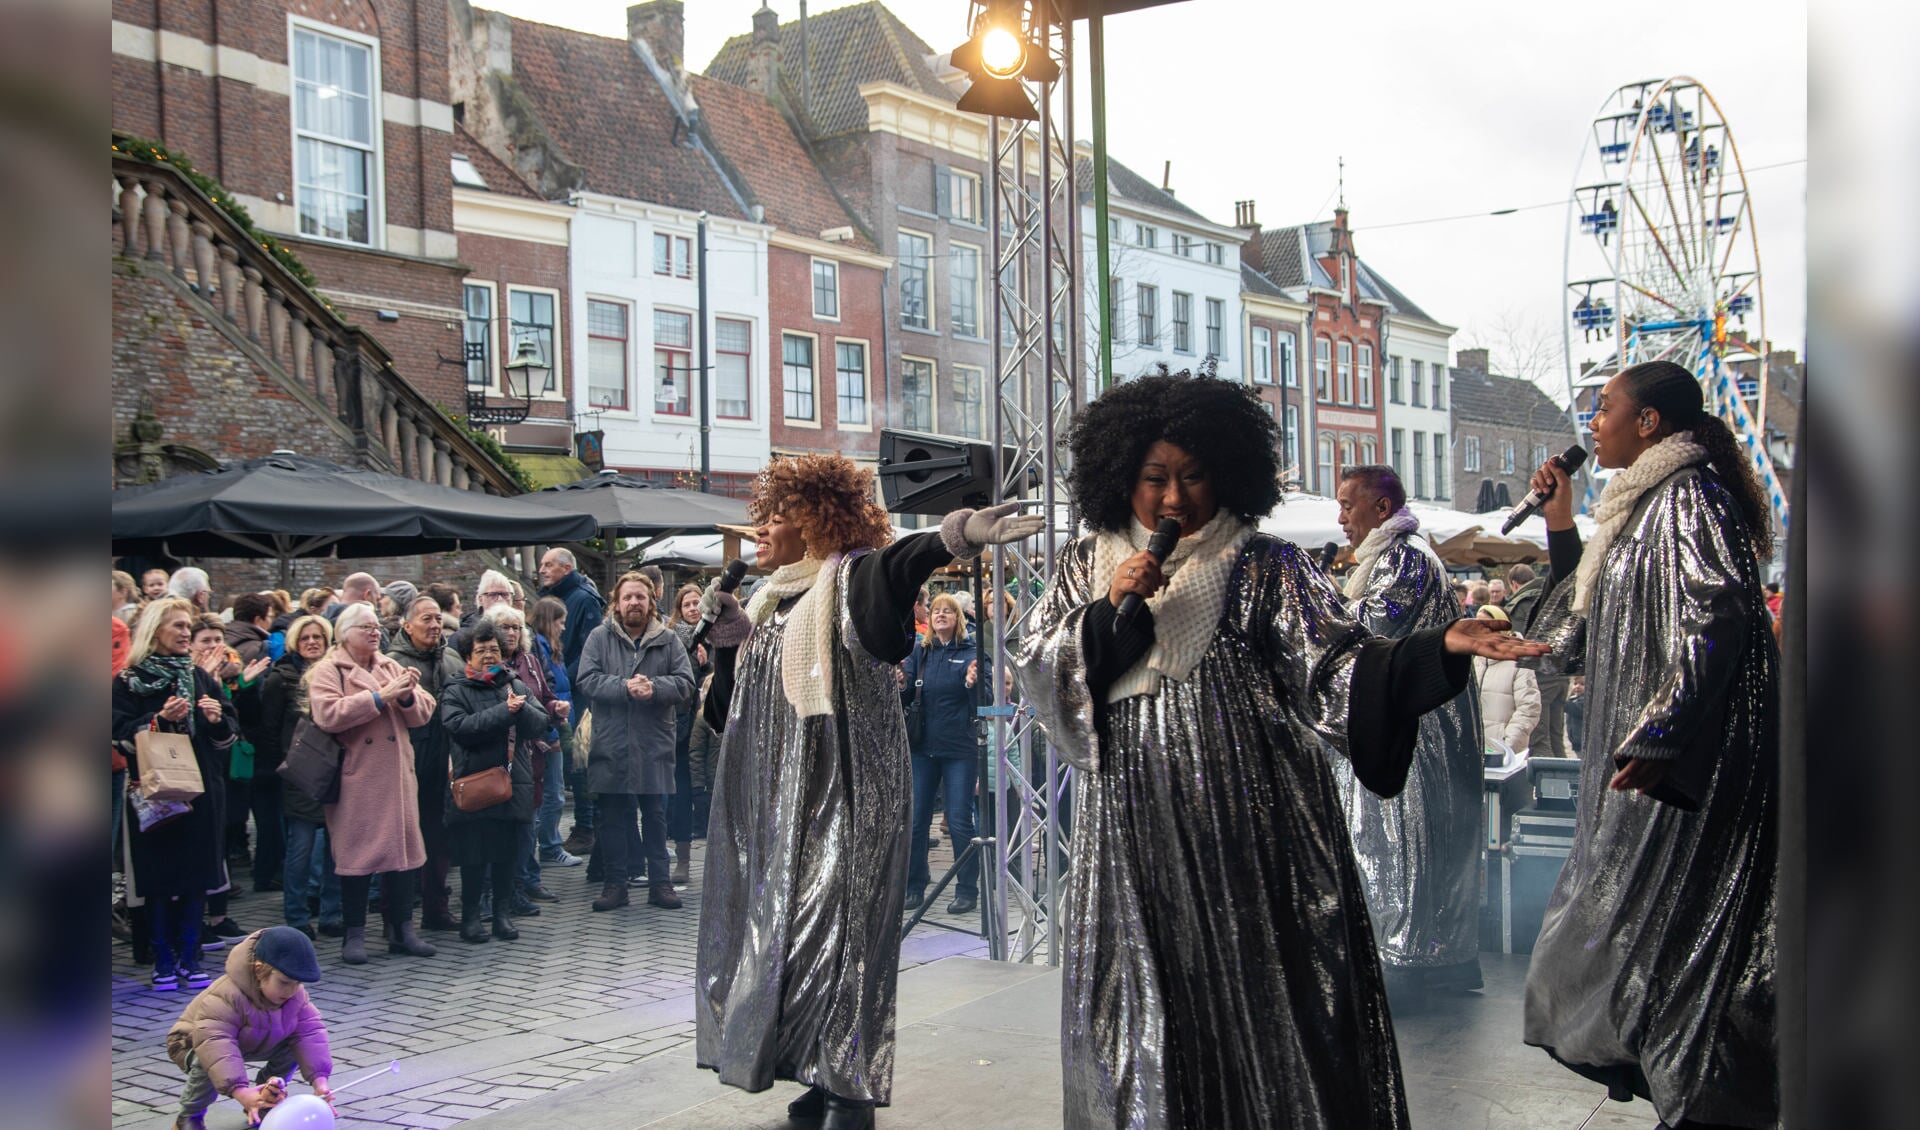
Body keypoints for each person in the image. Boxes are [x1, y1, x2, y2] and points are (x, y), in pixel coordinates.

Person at [1012, 374, 1543, 1129]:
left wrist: (1438, 650)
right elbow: (1036, 663)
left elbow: (1339, 668)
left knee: (1263, 1007)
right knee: (1137, 1014)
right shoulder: (1079, 567)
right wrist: (1104, 615)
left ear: (1226, 473)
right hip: (1131, 842)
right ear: (1120, 477)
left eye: (1192, 476)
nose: (1173, 499)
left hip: (1255, 841)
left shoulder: (1268, 567)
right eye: (1154, 478)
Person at [695, 453, 1044, 1130]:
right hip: (781, 811)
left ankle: (850, 1087)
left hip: (851, 798)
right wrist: (729, 647)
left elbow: (895, 563)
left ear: (816, 521)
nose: (759, 531)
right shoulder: (767, 605)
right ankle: (818, 1073)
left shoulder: (849, 579)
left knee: (847, 936)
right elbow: (725, 718)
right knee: (791, 942)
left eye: (775, 517)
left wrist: (954, 538)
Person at [1521, 359, 1780, 1128]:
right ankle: (1684, 1083)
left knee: (1678, 925)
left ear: (1650, 423)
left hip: (1681, 765)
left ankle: (1706, 1094)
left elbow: (1720, 611)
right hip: (1648, 758)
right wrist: (1561, 524)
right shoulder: (1642, 507)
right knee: (1641, 926)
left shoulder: (1688, 500)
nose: (1591, 423)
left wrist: (1664, 733)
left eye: (1604, 408)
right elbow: (1586, 621)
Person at [1334, 463, 1486, 1004]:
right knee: (1416, 844)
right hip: (1424, 721)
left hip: (1422, 731)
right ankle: (1433, 958)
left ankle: (1409, 960)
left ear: (1380, 508)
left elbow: (1368, 632)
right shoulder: (1395, 556)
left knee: (1405, 842)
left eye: (1348, 505)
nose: (1340, 517)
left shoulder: (1405, 559)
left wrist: (1318, 612)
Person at [114, 598, 240, 990]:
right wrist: (157, 720)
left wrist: (216, 720)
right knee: (157, 879)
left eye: (188, 626)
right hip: (152, 795)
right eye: (178, 626)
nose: (186, 633)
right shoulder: (128, 680)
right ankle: (162, 958)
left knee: (194, 876)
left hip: (199, 792)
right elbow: (115, 734)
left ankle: (190, 955)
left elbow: (230, 730)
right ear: (155, 631)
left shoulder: (199, 675)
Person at [307, 602, 438, 965]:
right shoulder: (329, 670)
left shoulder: (389, 665)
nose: (375, 632)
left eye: (377, 626)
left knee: (402, 856)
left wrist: (409, 694)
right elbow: (328, 714)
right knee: (358, 861)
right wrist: (380, 697)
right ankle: (355, 933)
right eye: (366, 627)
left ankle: (403, 930)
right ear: (345, 633)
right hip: (358, 779)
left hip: (397, 778)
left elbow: (425, 711)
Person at [577, 573, 694, 911]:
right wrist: (624, 687)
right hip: (610, 743)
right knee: (612, 818)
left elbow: (685, 683)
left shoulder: (669, 640)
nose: (633, 603)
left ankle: (661, 884)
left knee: (656, 817)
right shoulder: (599, 638)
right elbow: (586, 680)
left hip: (653, 743)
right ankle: (616, 885)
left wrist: (654, 688)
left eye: (640, 597)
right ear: (616, 602)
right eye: (627, 597)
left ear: (651, 602)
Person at [163, 925, 334, 1130]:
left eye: (297, 983)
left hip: (252, 1040)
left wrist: (320, 1082)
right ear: (259, 970)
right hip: (190, 1041)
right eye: (284, 982)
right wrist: (241, 1093)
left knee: (295, 1046)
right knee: (207, 1060)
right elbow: (216, 1044)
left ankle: (267, 1097)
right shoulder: (226, 995)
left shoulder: (295, 995)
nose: (291, 990)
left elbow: (310, 1033)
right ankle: (189, 1117)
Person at [441, 620, 548, 944]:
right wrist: (505, 712)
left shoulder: (514, 684)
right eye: (481, 650)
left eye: (494, 650)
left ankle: (502, 915)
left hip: (512, 785)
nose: (489, 655)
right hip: (474, 783)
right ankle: (472, 917)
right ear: (467, 655)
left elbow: (540, 723)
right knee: (473, 857)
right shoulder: (456, 688)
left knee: (506, 854)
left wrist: (519, 710)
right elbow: (459, 727)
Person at [383, 594, 464, 932]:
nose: (434, 625)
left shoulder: (453, 659)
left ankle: (436, 908)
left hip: (444, 764)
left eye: (437, 619)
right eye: (426, 619)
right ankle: (394, 918)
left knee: (439, 837)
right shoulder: (390, 662)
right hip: (404, 764)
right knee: (399, 841)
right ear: (406, 625)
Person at [260, 615, 343, 940]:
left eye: (318, 637)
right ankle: (296, 915)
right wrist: (287, 762)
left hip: (334, 769)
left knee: (335, 848)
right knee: (301, 847)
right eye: (306, 637)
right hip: (299, 773)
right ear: (295, 641)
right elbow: (268, 729)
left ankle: (332, 913)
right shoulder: (281, 679)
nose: (312, 642)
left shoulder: (337, 673)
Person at [900, 592, 984, 915]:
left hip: (959, 749)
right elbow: (907, 695)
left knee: (960, 821)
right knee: (918, 820)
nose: (940, 615)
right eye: (936, 611)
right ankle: (914, 886)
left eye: (947, 611)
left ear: (958, 618)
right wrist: (901, 682)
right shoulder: (920, 653)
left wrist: (973, 683)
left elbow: (985, 699)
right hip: (923, 747)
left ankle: (967, 889)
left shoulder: (972, 651)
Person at [190, 614, 265, 950]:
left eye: (218, 640)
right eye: (205, 640)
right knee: (202, 843)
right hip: (190, 772)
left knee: (220, 837)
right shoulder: (190, 678)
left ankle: (218, 916)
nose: (213, 647)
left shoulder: (225, 678)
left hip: (223, 769)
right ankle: (200, 918)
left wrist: (242, 685)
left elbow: (234, 720)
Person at [486, 602, 567, 912]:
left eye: (516, 627)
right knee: (500, 823)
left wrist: (555, 710)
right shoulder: (486, 663)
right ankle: (499, 889)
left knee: (527, 819)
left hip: (529, 752)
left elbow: (544, 697)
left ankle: (525, 881)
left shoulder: (530, 661)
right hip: (495, 755)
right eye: (504, 627)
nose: (511, 632)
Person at [538, 548, 603, 851]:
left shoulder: (583, 600)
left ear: (566, 568)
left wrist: (563, 674)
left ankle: (587, 826)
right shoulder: (548, 597)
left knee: (580, 758)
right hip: (560, 690)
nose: (542, 569)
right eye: (540, 565)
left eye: (548, 564)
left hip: (577, 691)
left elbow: (590, 649)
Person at [528, 596, 583, 868]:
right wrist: (552, 732)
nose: (563, 628)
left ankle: (547, 844)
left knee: (553, 790)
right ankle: (549, 845)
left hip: (558, 723)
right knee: (553, 791)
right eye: (559, 622)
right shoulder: (539, 649)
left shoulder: (551, 649)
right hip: (551, 728)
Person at [667, 582, 713, 882]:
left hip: (714, 729)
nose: (693, 608)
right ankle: (682, 861)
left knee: (712, 795)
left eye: (697, 602)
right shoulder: (673, 641)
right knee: (682, 795)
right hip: (683, 732)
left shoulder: (720, 636)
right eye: (687, 604)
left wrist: (708, 663)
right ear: (679, 611)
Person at [1473, 605, 1541, 755]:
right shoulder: (1473, 660)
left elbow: (1529, 708)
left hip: (1503, 756)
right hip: (1472, 754)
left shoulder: (1519, 662)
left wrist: (1508, 746)